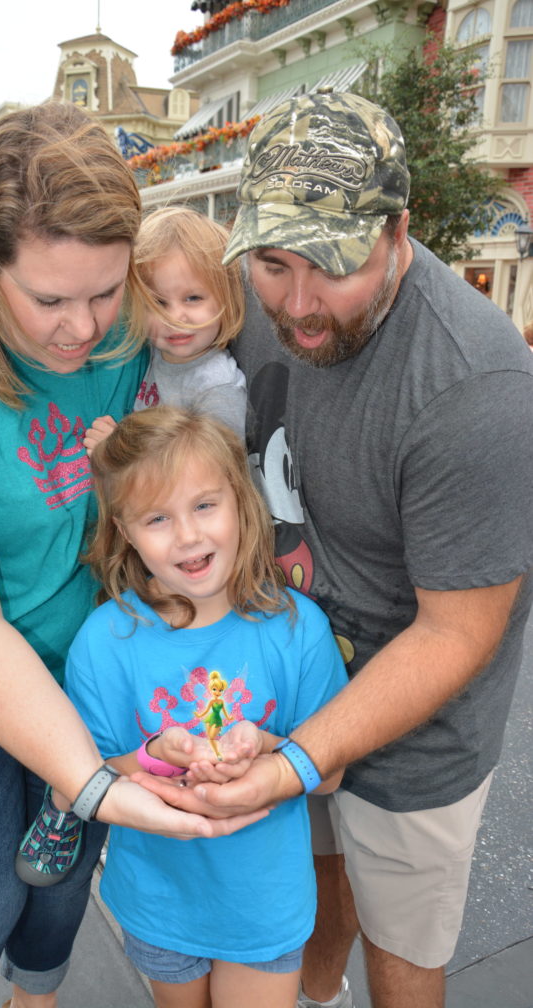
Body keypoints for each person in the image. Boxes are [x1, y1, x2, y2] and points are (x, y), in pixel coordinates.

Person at [0, 103, 261, 1008]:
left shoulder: (128, 331)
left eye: (108, 292)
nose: (84, 331)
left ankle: (33, 999)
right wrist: (94, 786)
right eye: (48, 300)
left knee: (62, 879)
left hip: (80, 660)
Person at [135, 92, 533, 1008]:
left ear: (399, 229)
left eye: (333, 266)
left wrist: (299, 758)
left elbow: (453, 635)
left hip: (413, 728)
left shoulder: (476, 388)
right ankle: (316, 997)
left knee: (400, 946)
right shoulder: (248, 296)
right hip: (275, 676)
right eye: (273, 265)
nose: (298, 303)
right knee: (311, 886)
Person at [18, 405, 348, 1008]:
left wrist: (269, 746)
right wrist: (153, 756)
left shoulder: (299, 630)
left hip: (266, 902)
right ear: (123, 529)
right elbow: (83, 777)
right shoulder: (103, 640)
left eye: (204, 505)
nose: (189, 535)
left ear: (241, 503)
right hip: (157, 897)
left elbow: (330, 775)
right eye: (157, 518)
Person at [84, 205, 246, 453]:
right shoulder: (156, 353)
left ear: (227, 298)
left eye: (193, 298)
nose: (174, 318)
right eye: (157, 303)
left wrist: (118, 452)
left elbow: (207, 477)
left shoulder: (217, 388)